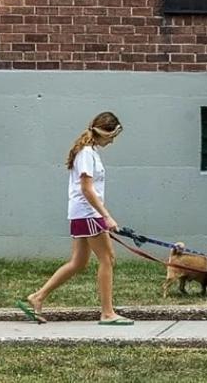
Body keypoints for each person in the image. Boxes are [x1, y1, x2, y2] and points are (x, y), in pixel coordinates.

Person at [18, 112, 132, 325]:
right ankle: (107, 313)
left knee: (78, 263)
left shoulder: (89, 151)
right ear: (104, 132)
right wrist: (106, 216)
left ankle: (38, 296)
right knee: (107, 259)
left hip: (82, 213)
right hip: (89, 214)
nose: (113, 140)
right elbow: (87, 189)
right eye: (112, 135)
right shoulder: (87, 153)